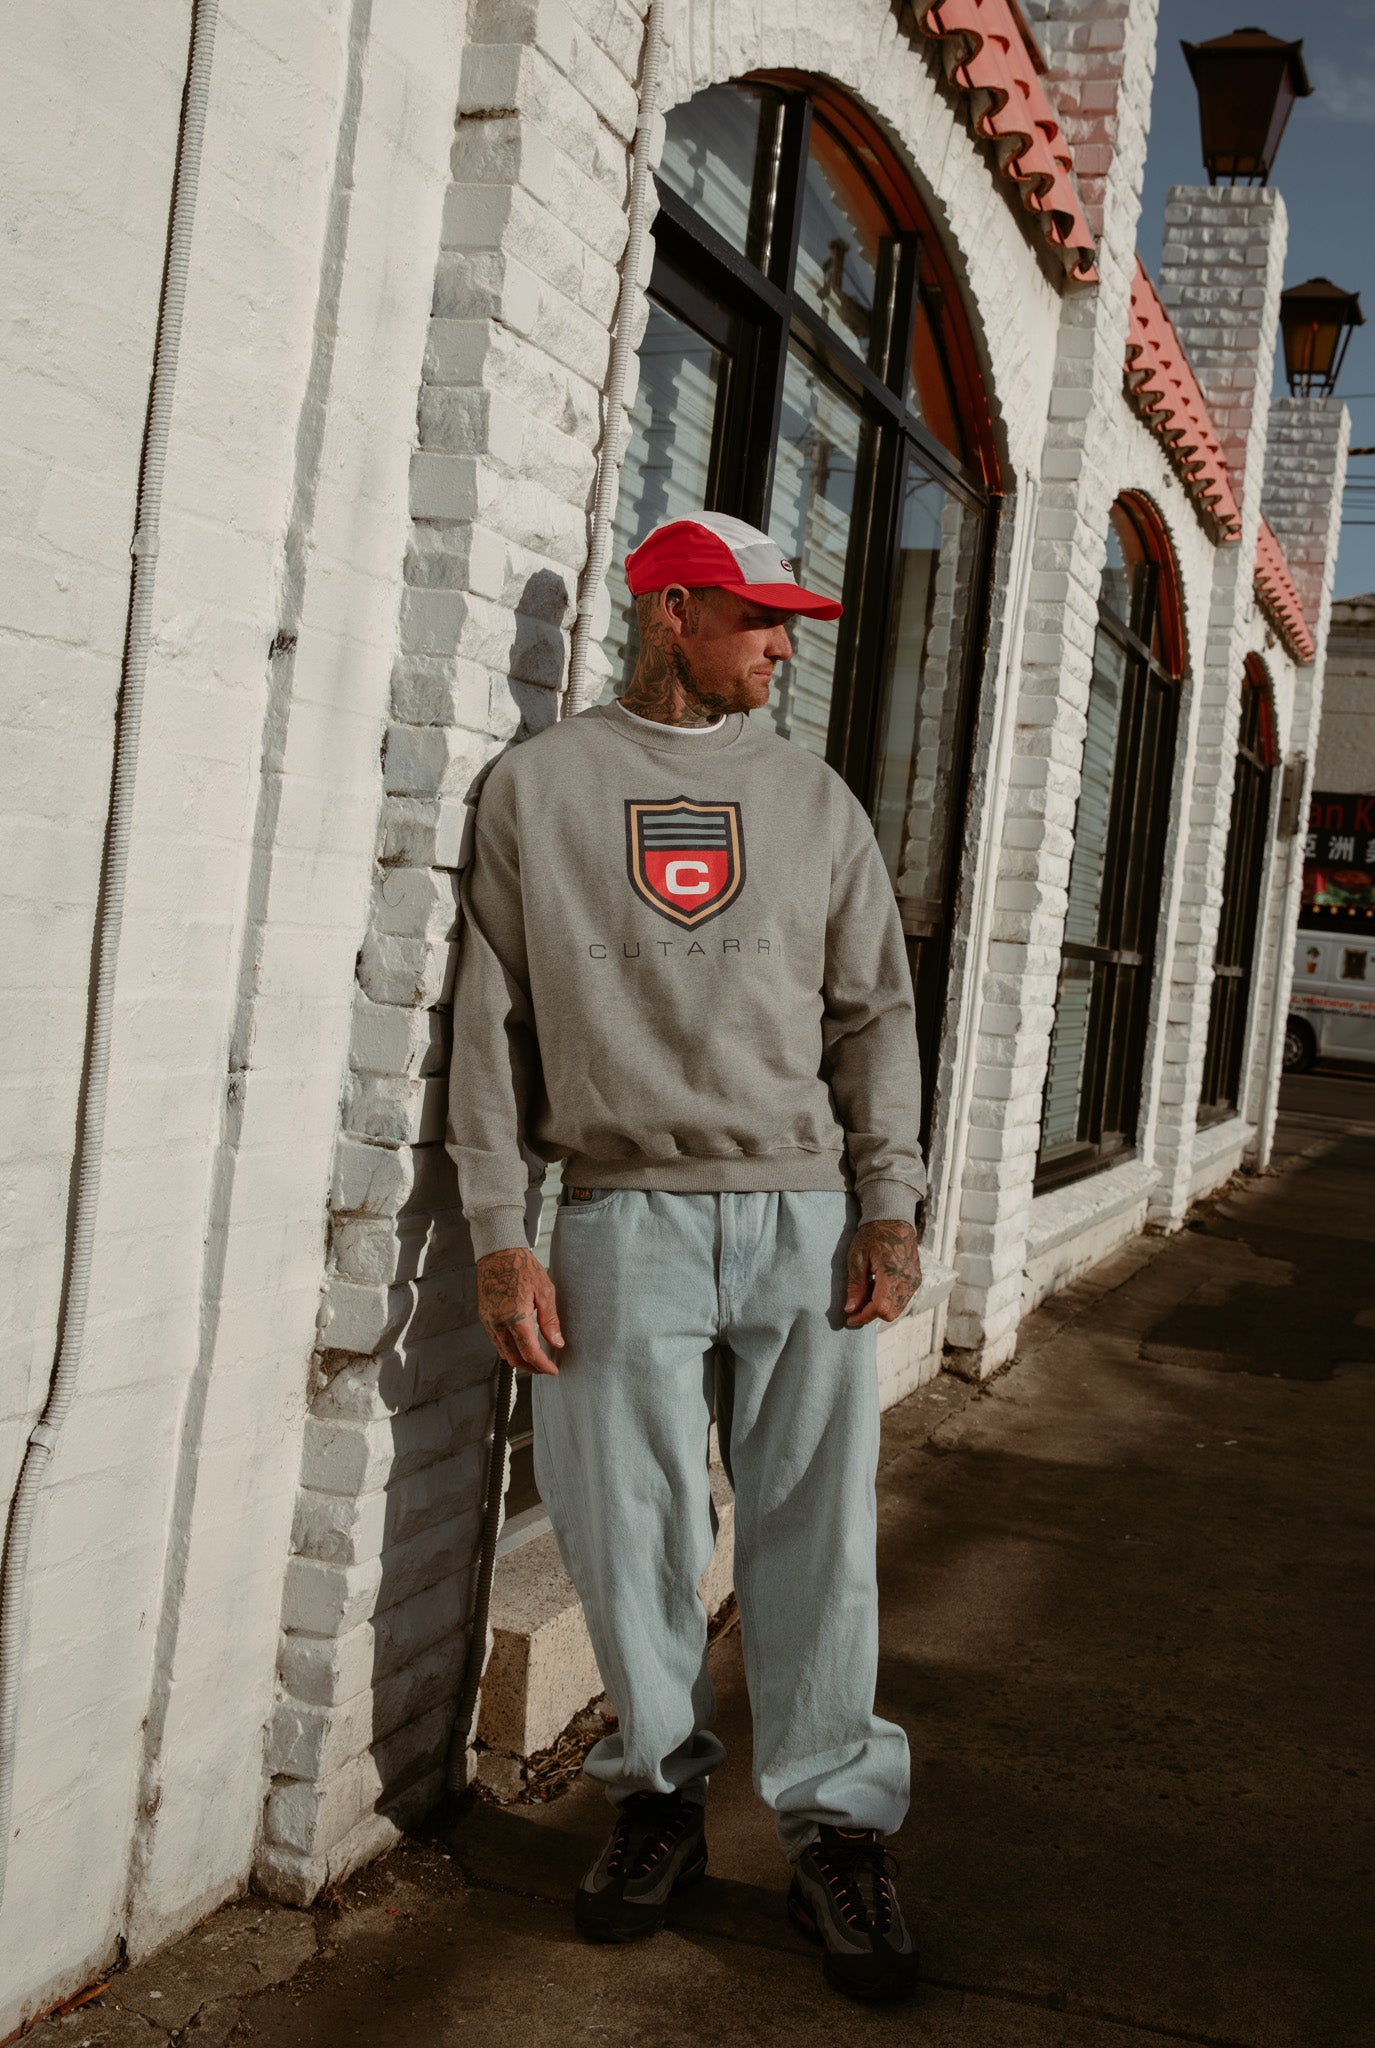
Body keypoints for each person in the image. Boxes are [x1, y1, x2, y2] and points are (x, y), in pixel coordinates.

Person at [446, 510, 927, 2003]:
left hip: (801, 1222)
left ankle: (834, 1826)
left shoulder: (813, 801)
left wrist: (890, 1200)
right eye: (758, 621)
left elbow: (875, 1017)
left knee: (816, 1541)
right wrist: (497, 1239)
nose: (783, 649)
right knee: (626, 1539)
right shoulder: (537, 790)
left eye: (785, 624)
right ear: (671, 615)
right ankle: (657, 1801)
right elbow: (488, 1028)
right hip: (614, 1216)